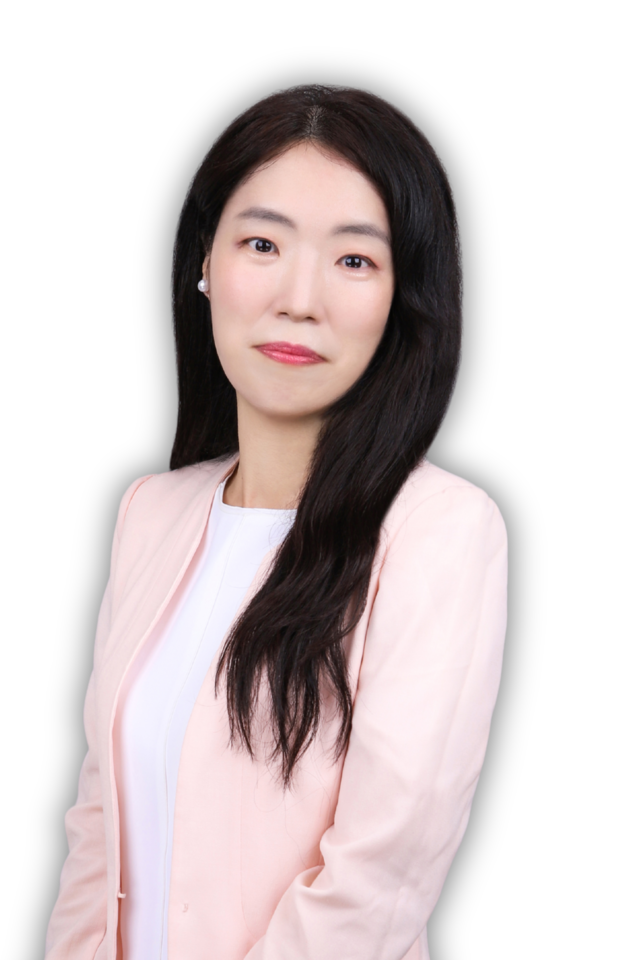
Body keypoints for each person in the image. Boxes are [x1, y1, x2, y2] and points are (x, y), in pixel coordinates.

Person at [44, 84, 508, 960]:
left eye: (354, 260)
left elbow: (377, 880)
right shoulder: (151, 513)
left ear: (402, 297)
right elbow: (98, 828)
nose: (300, 298)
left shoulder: (438, 532)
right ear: (205, 263)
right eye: (262, 243)